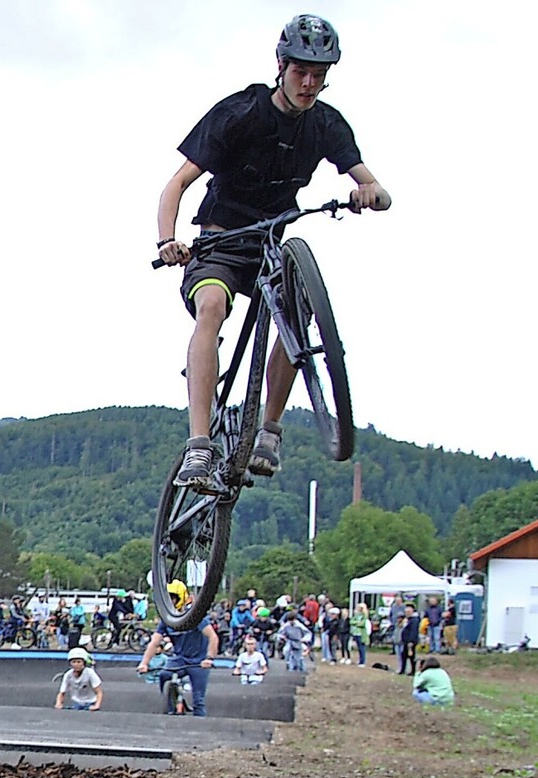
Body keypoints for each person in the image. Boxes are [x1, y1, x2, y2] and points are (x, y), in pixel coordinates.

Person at [156, 13, 391, 490]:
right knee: (212, 306)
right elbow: (177, 183)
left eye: (319, 74)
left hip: (270, 246)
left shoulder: (326, 125)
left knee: (293, 312)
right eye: (300, 70)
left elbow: (375, 186)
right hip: (220, 240)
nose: (308, 82)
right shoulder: (242, 112)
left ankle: (269, 432)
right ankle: (199, 445)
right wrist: (167, 240)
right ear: (281, 65)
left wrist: (371, 194)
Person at [137, 580, 219, 717]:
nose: (170, 602)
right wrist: (144, 663)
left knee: (198, 700)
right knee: (164, 674)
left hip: (198, 661)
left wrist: (209, 658)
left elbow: (213, 637)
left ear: (180, 598)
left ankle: (200, 727)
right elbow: (154, 642)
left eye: (173, 598)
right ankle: (170, 705)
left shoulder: (195, 616)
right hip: (179, 659)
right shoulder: (167, 619)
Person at [399, 603, 420, 676]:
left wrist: (411, 641)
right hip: (406, 640)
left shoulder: (414, 620)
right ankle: (403, 669)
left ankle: (412, 671)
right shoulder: (408, 620)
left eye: (408, 612)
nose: (406, 613)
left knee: (411, 656)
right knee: (404, 656)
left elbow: (413, 631)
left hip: (410, 641)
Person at [350, 603, 370, 667]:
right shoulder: (356, 615)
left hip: (361, 634)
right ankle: (360, 660)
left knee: (362, 648)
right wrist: (357, 623)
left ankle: (362, 662)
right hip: (356, 633)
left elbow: (362, 624)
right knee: (359, 647)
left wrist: (356, 623)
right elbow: (351, 621)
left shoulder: (364, 616)